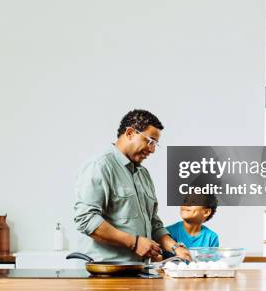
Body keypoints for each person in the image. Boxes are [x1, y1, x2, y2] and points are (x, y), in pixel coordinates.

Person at [74, 109, 192, 263]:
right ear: (130, 133)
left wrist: (176, 248)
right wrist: (134, 242)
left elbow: (153, 223)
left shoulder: (143, 174)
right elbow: (86, 219)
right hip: (103, 273)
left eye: (155, 144)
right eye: (149, 141)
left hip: (137, 270)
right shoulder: (100, 166)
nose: (152, 149)